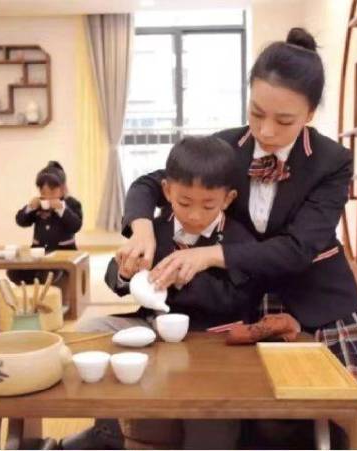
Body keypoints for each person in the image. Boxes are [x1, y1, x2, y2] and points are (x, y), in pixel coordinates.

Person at [118, 27, 357, 447]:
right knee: (246, 417)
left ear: (310, 114)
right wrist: (140, 228)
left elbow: (299, 249)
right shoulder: (227, 146)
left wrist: (211, 254)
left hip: (315, 292)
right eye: (256, 112)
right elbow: (151, 184)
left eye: (284, 121)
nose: (265, 131)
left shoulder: (332, 161)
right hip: (246, 293)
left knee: (337, 423)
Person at [61, 136, 261, 450]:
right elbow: (115, 280)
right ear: (167, 191)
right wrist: (125, 272)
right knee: (89, 332)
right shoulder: (154, 229)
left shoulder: (239, 240)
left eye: (208, 205)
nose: (195, 215)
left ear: (227, 199)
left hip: (212, 337)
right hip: (151, 328)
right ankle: (107, 430)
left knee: (210, 432)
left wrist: (184, 281)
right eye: (184, 203)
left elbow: (238, 299)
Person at [7, 161, 83, 285]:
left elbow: (76, 226)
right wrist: (30, 208)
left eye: (52, 193)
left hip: (62, 255)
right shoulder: (38, 205)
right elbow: (21, 221)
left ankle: (43, 289)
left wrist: (61, 210)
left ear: (62, 189)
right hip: (38, 255)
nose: (47, 197)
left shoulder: (72, 203)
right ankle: (32, 291)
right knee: (14, 272)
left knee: (48, 274)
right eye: (43, 193)